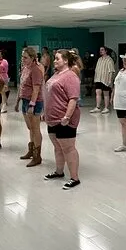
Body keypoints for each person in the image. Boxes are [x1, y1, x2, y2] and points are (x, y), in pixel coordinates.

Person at [44, 50, 82, 190]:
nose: (54, 61)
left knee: (68, 148)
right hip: (52, 118)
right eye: (54, 58)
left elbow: (73, 99)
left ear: (66, 61)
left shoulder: (70, 76)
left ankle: (74, 178)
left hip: (64, 119)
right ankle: (59, 171)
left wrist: (67, 116)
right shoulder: (56, 74)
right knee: (57, 147)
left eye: (57, 59)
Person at [16, 47, 45, 166]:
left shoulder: (36, 70)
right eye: (22, 57)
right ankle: (31, 150)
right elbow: (22, 85)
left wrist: (32, 105)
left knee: (35, 128)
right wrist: (17, 101)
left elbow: (36, 89)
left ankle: (37, 155)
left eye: (25, 57)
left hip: (34, 102)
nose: (23, 59)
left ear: (33, 58)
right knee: (30, 128)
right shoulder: (25, 68)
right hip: (25, 100)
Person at [91, 46, 115, 114]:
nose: (100, 51)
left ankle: (106, 107)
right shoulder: (99, 59)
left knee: (106, 94)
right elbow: (97, 69)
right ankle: (98, 107)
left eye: (102, 50)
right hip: (98, 79)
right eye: (100, 50)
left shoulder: (109, 59)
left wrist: (110, 80)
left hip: (105, 79)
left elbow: (111, 71)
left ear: (106, 51)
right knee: (98, 92)